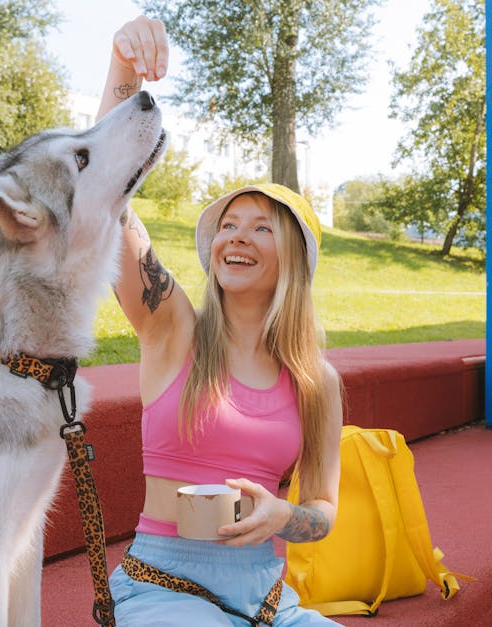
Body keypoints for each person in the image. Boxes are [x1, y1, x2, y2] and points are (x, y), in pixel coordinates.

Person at [98, 15, 344, 627]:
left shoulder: (318, 381)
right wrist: (122, 70)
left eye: (263, 227)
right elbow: (106, 200)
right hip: (160, 587)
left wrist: (285, 518)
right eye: (228, 225)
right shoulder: (173, 329)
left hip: (268, 600)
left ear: (294, 261)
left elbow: (321, 509)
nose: (238, 236)